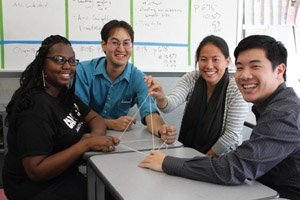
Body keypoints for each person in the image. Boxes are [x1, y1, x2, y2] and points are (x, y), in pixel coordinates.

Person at [139, 35, 300, 199]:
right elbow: (170, 103)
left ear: (279, 70)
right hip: (256, 182)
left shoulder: (284, 113)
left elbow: (234, 168)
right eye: (240, 67)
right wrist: (160, 97)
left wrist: (167, 163)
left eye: (255, 67)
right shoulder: (273, 104)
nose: (245, 75)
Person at [2, 35, 120, 200]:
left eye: (72, 61)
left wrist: (94, 138)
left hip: (63, 175)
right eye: (59, 60)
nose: (67, 66)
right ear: (43, 63)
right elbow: (36, 171)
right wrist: (85, 144)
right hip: (34, 189)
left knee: (112, 191)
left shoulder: (62, 93)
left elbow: (95, 119)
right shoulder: (35, 106)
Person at [145, 35, 249, 157]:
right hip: (188, 152)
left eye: (215, 59)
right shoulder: (192, 78)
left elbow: (231, 135)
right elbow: (169, 105)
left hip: (221, 159)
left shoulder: (236, 89)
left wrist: (200, 161)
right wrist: (161, 97)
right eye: (203, 59)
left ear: (227, 62)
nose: (209, 66)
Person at [75, 19, 176, 144]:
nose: (121, 49)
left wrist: (162, 130)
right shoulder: (83, 71)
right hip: (83, 137)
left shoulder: (139, 78)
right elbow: (77, 114)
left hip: (117, 141)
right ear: (104, 45)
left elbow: (150, 113)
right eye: (115, 42)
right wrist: (111, 123)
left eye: (126, 43)